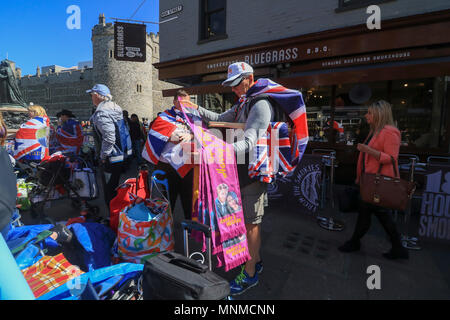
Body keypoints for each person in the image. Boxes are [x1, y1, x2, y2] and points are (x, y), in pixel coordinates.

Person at [181, 62, 274, 295]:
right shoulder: (244, 101)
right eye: (230, 85)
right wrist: (194, 108)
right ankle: (256, 262)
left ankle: (250, 274)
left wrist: (215, 152)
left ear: (249, 79)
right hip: (240, 173)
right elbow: (219, 118)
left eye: (236, 84)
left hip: (252, 174)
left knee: (252, 225)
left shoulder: (260, 104)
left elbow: (250, 141)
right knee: (246, 222)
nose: (232, 89)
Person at [338, 100, 409, 260]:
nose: (366, 115)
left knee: (378, 215)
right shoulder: (375, 131)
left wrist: (368, 150)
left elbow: (392, 158)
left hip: (379, 183)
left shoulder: (390, 132)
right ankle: (395, 248)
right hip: (370, 182)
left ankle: (358, 243)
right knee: (369, 214)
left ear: (379, 114)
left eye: (369, 113)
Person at [142, 90, 195, 220]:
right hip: (167, 166)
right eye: (182, 101)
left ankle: (189, 227)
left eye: (187, 101)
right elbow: (154, 134)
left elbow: (201, 133)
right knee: (167, 199)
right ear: (174, 101)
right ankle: (165, 227)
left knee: (188, 198)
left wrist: (191, 135)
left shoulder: (193, 117)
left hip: (187, 165)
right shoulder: (164, 117)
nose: (184, 104)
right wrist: (170, 137)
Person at [87, 84, 132, 207]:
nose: (91, 97)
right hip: (120, 155)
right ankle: (116, 215)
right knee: (115, 187)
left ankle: (112, 218)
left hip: (110, 157)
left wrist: (103, 156)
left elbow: (109, 137)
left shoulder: (102, 112)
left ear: (97, 95)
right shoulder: (115, 107)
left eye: (92, 95)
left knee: (109, 190)